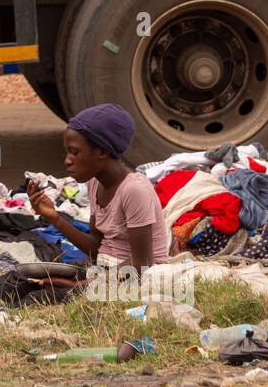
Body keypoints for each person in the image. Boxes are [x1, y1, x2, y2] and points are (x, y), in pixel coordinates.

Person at [27, 103, 168, 274]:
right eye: (67, 153)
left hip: (140, 278)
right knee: (19, 281)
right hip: (108, 271)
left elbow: (142, 264)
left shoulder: (134, 189)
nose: (67, 160)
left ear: (102, 152)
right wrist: (54, 218)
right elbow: (97, 248)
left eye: (74, 152)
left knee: (47, 294)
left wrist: (86, 286)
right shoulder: (95, 183)